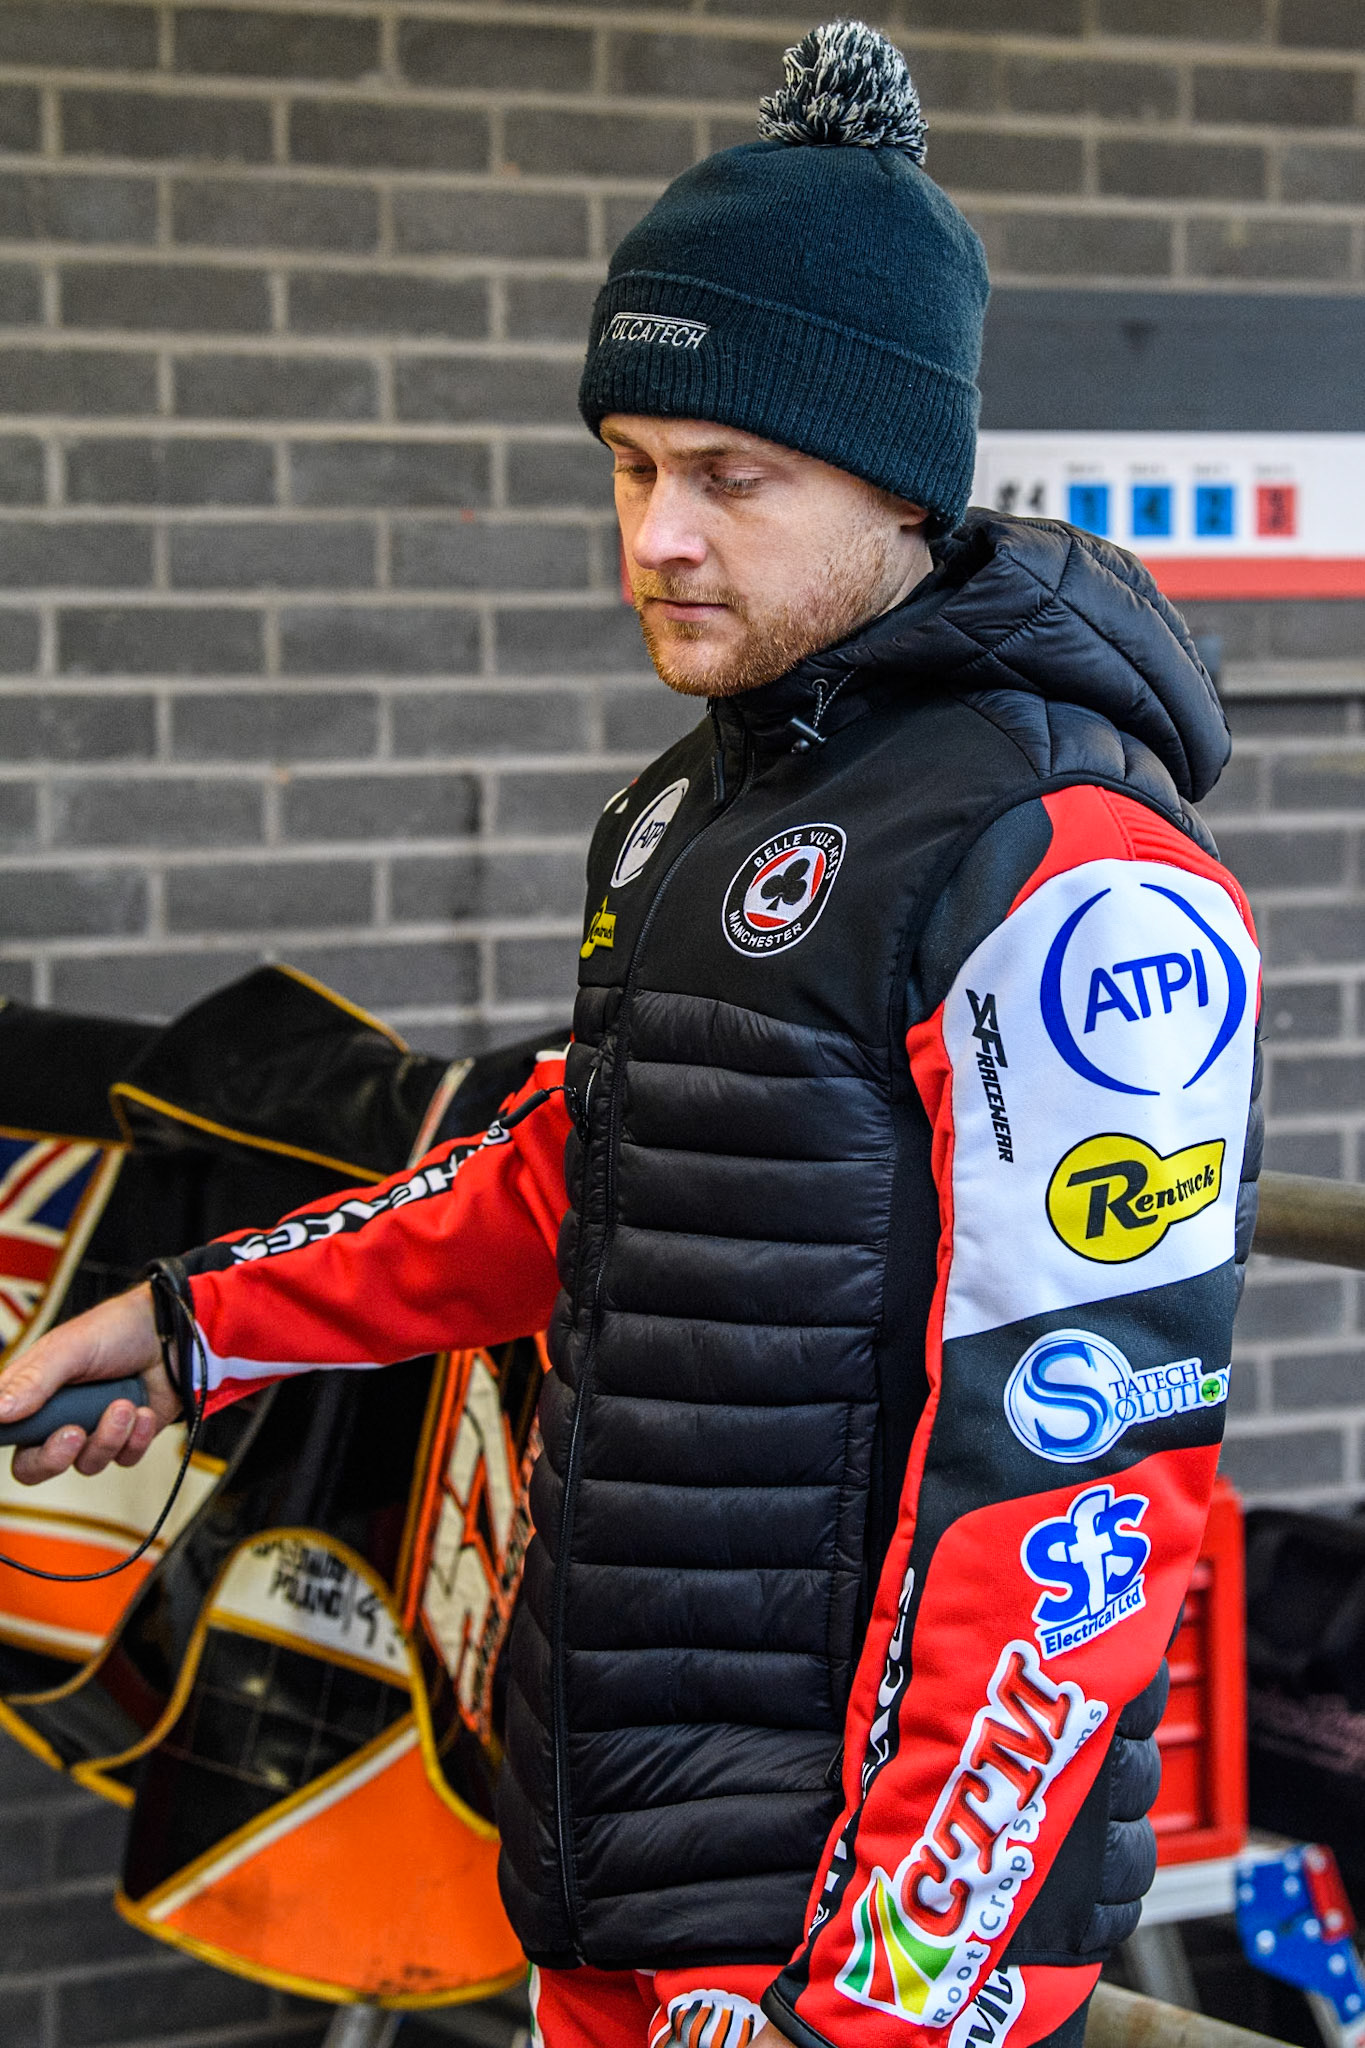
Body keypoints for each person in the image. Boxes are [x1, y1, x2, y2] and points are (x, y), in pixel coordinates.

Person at [0, 23, 1261, 2048]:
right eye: (630, 467)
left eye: (723, 477)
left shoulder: (1067, 875)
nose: (653, 535)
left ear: (893, 476)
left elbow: (1075, 1506)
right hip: (614, 1850)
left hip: (835, 1953)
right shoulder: (701, 811)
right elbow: (576, 1183)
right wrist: (192, 1321)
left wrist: (879, 1995)